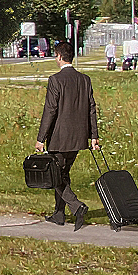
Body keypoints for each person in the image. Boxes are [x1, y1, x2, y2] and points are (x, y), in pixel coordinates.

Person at [34, 39, 100, 228]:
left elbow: (50, 110)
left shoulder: (55, 80)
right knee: (63, 174)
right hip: (79, 138)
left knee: (54, 176)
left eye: (56, 56)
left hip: (60, 138)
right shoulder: (84, 80)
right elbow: (91, 109)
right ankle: (59, 214)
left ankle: (77, 206)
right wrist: (93, 135)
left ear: (59, 57)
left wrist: (41, 138)